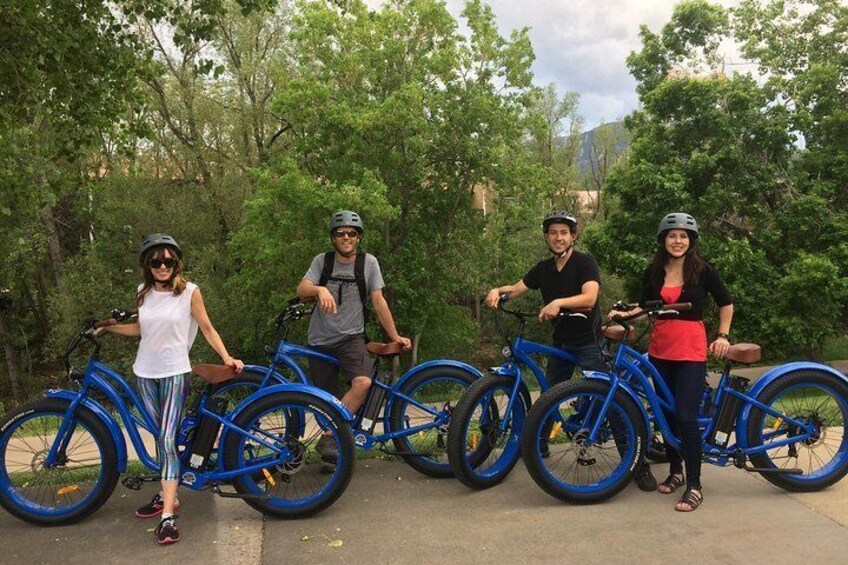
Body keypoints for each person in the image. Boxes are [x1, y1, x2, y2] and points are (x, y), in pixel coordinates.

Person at [102, 233, 244, 544]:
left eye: (168, 260)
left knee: (166, 439)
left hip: (176, 374)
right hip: (144, 374)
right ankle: (171, 493)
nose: (162, 266)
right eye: (156, 261)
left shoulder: (190, 292)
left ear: (176, 263)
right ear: (147, 265)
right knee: (160, 435)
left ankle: (167, 516)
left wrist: (226, 356)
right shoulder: (143, 292)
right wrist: (107, 327)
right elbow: (141, 328)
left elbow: (206, 326)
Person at [484, 211, 632, 461]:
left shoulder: (585, 263)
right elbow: (518, 289)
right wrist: (496, 290)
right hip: (562, 343)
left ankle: (633, 460)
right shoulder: (543, 269)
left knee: (609, 398)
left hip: (588, 341)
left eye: (563, 232)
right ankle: (538, 448)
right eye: (553, 233)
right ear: (547, 237)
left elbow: (589, 298)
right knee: (548, 396)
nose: (558, 237)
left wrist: (558, 303)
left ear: (573, 236)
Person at [630, 213, 733, 511]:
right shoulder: (653, 271)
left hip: (690, 350)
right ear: (663, 240)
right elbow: (643, 306)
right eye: (672, 236)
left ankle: (695, 485)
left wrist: (722, 335)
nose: (678, 241)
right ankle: (676, 471)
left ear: (691, 241)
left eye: (683, 236)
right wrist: (622, 315)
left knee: (686, 417)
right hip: (660, 350)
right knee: (666, 414)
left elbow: (726, 302)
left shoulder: (703, 271)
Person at [296, 211, 411, 469]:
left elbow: (378, 301)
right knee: (326, 402)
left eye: (352, 233)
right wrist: (319, 289)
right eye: (340, 233)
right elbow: (301, 289)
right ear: (333, 238)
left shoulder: (368, 263)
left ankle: (330, 438)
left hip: (351, 339)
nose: (346, 237)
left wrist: (395, 336)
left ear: (358, 237)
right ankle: (335, 450)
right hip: (319, 340)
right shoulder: (322, 262)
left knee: (362, 383)